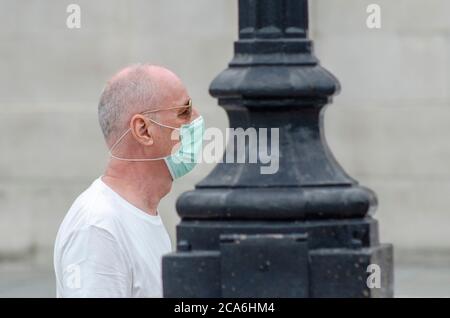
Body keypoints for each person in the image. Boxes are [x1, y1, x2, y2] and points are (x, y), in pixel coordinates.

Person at [53, 64, 205, 297]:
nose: (196, 119)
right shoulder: (98, 228)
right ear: (143, 130)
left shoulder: (139, 214)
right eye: (184, 111)